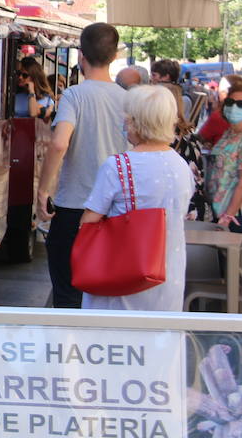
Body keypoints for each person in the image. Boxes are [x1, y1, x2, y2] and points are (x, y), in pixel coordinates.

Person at [36, 22, 129, 309]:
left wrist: (42, 191)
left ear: (81, 56)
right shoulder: (129, 99)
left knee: (68, 292)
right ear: (114, 57)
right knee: (106, 293)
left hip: (75, 205)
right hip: (116, 208)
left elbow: (60, 143)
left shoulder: (74, 96)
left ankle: (70, 349)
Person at [78, 85, 194, 312]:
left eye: (128, 118)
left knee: (115, 339)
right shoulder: (181, 166)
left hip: (121, 273)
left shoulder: (118, 166)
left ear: (137, 122)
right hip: (168, 273)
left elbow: (90, 220)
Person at [205, 79, 242, 234]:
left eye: (241, 104)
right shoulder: (230, 133)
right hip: (219, 208)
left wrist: (229, 215)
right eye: (230, 101)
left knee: (235, 258)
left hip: (236, 214)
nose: (234, 107)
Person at [150, 58, 188, 127]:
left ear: (166, 77)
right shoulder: (179, 93)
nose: (151, 78)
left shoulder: (161, 94)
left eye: (154, 75)